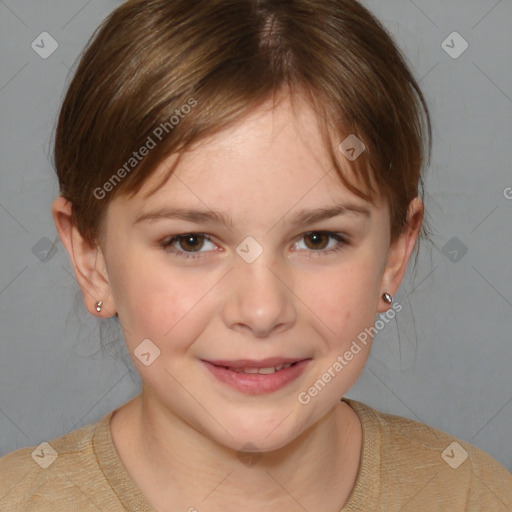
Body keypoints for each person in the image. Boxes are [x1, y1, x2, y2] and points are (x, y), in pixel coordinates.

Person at [1, 0, 510, 510]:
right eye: (191, 242)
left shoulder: (476, 495)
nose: (262, 311)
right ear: (91, 259)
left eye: (318, 239)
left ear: (395, 253)